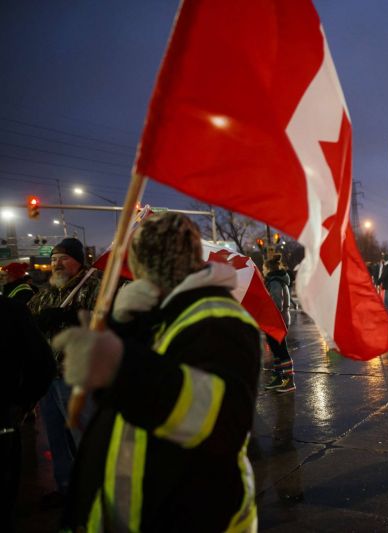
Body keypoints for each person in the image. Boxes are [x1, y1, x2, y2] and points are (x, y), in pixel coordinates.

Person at [53, 212, 263, 531]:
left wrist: (122, 366)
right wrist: (122, 326)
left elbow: (223, 419)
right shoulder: (155, 313)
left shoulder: (219, 318)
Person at [27, 237, 101, 505]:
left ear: (78, 261)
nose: (57, 263)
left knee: (84, 438)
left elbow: (105, 319)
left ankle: (93, 493)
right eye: (54, 258)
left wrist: (70, 317)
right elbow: (30, 319)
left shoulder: (94, 284)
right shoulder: (47, 292)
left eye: (64, 258)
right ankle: (66, 487)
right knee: (57, 438)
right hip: (50, 376)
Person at [0, 295, 55, 530]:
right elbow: (42, 363)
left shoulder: (11, 309)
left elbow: (41, 364)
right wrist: (23, 402)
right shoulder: (10, 309)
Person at [263, 257, 296, 393]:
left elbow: (277, 303)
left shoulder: (275, 282)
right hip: (278, 319)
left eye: (264, 268)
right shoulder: (276, 280)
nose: (262, 270)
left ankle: (289, 380)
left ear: (269, 268)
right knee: (276, 349)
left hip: (276, 320)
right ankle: (278, 376)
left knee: (281, 350)